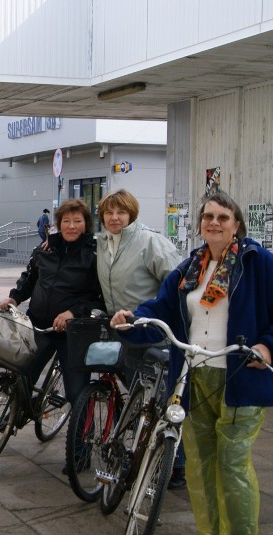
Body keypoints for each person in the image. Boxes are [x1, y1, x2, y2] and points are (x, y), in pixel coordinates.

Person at [111, 191, 273, 535]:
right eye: (208, 217)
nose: (214, 223)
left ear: (236, 224)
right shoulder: (190, 268)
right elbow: (161, 311)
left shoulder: (259, 264)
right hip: (192, 375)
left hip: (240, 376)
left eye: (223, 216)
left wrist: (268, 348)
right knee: (201, 464)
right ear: (200, 224)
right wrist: (133, 321)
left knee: (232, 465)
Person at [95, 188, 187, 486]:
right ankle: (141, 448)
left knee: (163, 400)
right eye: (109, 212)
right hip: (122, 332)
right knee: (139, 396)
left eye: (121, 212)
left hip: (152, 334)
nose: (114, 217)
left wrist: (161, 315)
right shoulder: (103, 242)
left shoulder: (149, 242)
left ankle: (175, 465)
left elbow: (179, 281)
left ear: (131, 214)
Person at [0, 198, 103, 415]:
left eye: (77, 221)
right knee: (22, 376)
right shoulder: (45, 249)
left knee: (76, 392)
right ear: (59, 223)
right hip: (39, 324)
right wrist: (14, 298)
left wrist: (73, 312)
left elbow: (100, 297)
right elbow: (30, 278)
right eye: (66, 221)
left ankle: (81, 442)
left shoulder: (94, 254)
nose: (71, 226)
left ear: (86, 224)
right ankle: (20, 414)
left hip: (74, 332)